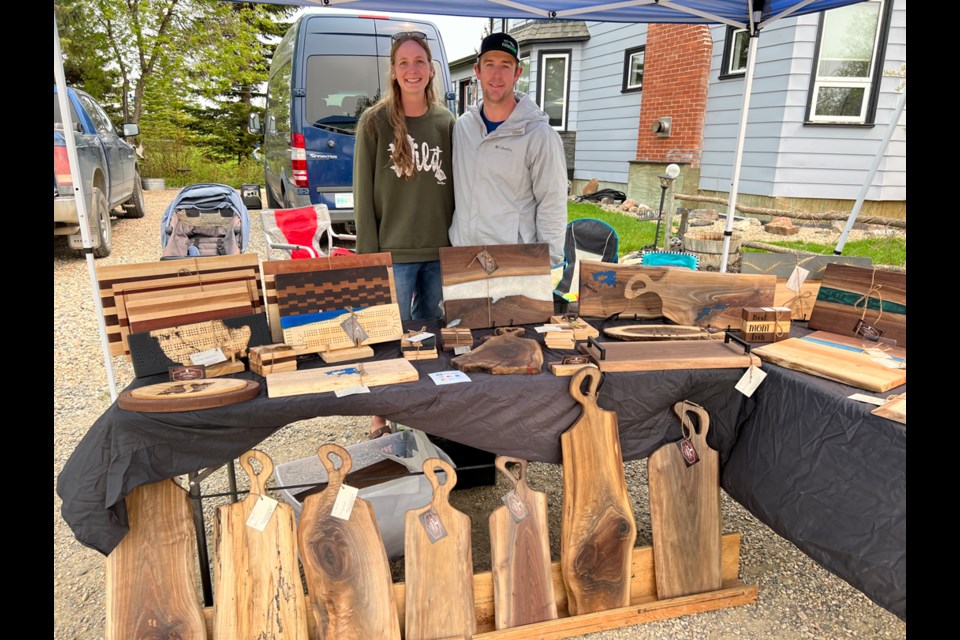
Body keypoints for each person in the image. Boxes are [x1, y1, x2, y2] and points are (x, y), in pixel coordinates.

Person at [353, 31, 455, 437]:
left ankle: (421, 407)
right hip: (393, 251)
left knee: (429, 333)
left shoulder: (447, 122)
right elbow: (363, 193)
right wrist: (368, 254)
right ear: (393, 72)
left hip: (438, 249)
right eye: (404, 63)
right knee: (388, 335)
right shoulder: (374, 122)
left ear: (431, 70)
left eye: (419, 62)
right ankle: (381, 409)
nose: (412, 70)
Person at [449, 32, 568, 267]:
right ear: (478, 71)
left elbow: (552, 204)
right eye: (490, 64)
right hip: (464, 258)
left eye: (505, 66)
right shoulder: (463, 127)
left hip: (512, 261)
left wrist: (550, 265)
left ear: (517, 73)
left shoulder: (539, 135)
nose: (496, 74)